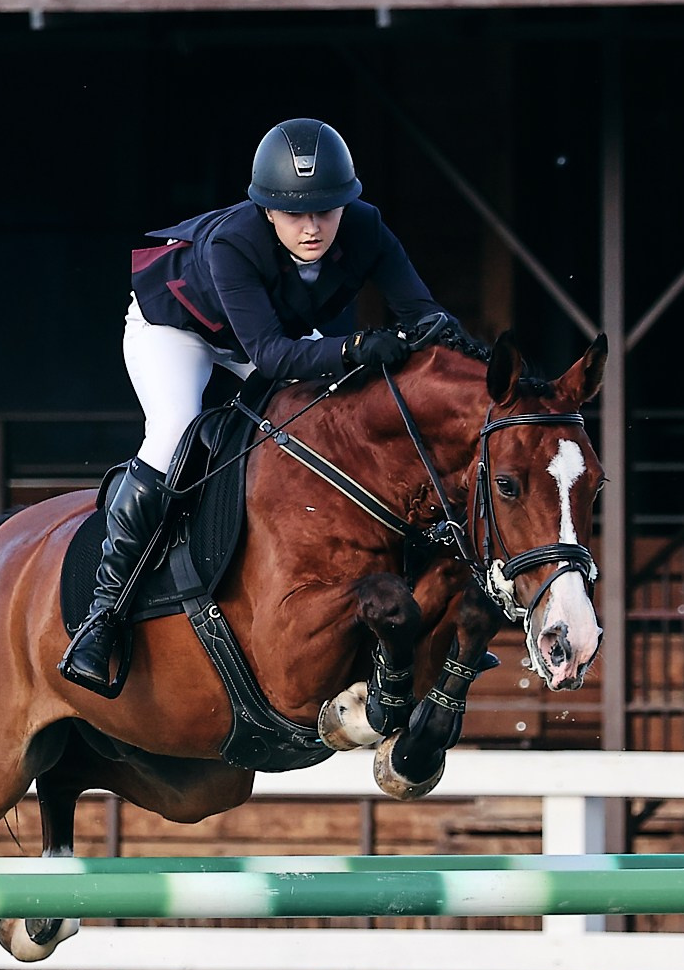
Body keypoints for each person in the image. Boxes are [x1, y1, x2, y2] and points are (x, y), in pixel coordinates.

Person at [59, 118, 465, 697]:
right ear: (267, 212)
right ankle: (103, 615)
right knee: (174, 431)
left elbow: (423, 313)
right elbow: (272, 355)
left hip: (271, 339)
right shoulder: (233, 242)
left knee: (334, 422)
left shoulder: (367, 228)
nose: (312, 227)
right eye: (295, 214)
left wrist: (449, 347)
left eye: (327, 210)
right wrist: (354, 346)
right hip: (179, 331)